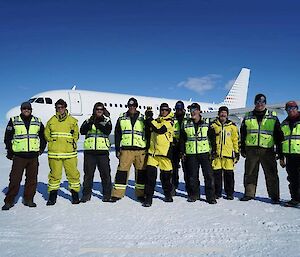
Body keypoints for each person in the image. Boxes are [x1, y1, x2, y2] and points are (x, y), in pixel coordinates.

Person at [2, 102, 46, 210]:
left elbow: (43, 137)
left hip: (33, 156)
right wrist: (10, 151)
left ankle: (28, 199)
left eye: (28, 108)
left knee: (32, 180)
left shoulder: (37, 121)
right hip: (19, 156)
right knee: (15, 179)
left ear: (31, 110)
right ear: (21, 110)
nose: (26, 110)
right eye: (24, 108)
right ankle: (9, 201)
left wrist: (41, 149)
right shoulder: (14, 120)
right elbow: (7, 137)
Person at [240, 94, 283, 203]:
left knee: (271, 174)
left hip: (267, 150)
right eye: (258, 102)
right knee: (250, 173)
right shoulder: (248, 116)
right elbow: (243, 133)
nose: (260, 104)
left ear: (265, 103)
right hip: (251, 149)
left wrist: (279, 150)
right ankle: (249, 193)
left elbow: (278, 134)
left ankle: (274, 196)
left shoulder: (272, 116)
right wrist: (243, 148)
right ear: (255, 103)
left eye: (262, 102)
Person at [45, 99, 81, 205]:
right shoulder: (51, 121)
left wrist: (71, 143)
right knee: (54, 176)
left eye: (61, 107)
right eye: (57, 107)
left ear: (65, 108)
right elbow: (47, 134)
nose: (60, 109)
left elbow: (76, 135)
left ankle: (75, 196)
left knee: (73, 175)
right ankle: (52, 197)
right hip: (54, 153)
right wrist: (52, 142)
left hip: (69, 153)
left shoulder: (72, 121)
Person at [111, 97, 147, 202]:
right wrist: (117, 148)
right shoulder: (122, 118)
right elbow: (117, 134)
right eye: (130, 106)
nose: (132, 107)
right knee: (121, 172)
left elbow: (148, 135)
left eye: (134, 106)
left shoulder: (143, 118)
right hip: (126, 150)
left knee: (141, 173)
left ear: (136, 106)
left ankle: (140, 194)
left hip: (140, 150)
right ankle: (117, 194)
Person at [180, 103, 217, 204]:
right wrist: (182, 152)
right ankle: (194, 195)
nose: (192, 112)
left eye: (194, 110)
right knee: (192, 176)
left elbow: (212, 138)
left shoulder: (207, 123)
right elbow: (182, 139)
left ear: (199, 111)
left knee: (209, 176)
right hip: (191, 153)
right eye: (191, 110)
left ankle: (210, 197)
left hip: (204, 153)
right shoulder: (185, 124)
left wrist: (214, 150)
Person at [80, 102, 113, 203]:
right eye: (97, 109)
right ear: (94, 110)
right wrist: (90, 123)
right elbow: (82, 131)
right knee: (88, 175)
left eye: (101, 109)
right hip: (90, 152)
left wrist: (97, 123)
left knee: (105, 174)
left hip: (102, 151)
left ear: (103, 111)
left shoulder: (106, 120)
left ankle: (107, 195)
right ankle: (86, 195)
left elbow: (107, 130)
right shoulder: (88, 120)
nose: (99, 111)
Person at [143, 103, 174, 207]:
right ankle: (148, 198)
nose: (163, 111)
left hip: (164, 154)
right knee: (150, 178)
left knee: (166, 178)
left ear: (168, 111)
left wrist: (150, 119)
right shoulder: (156, 121)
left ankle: (168, 195)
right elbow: (149, 130)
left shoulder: (170, 121)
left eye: (165, 110)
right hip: (153, 154)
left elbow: (160, 130)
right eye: (162, 110)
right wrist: (147, 118)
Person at [211, 106, 239, 200]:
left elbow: (235, 140)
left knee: (229, 175)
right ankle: (217, 192)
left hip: (228, 155)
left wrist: (237, 152)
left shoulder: (232, 126)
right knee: (217, 175)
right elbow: (210, 140)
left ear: (227, 114)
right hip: (217, 155)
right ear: (218, 114)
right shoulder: (213, 125)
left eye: (225, 113)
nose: (223, 114)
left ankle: (229, 193)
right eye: (221, 113)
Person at [280, 101, 300, 207]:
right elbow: (281, 141)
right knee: (292, 178)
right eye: (289, 109)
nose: (291, 110)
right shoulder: (284, 124)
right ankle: (295, 199)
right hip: (290, 155)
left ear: (297, 108)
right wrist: (281, 157)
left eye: (293, 108)